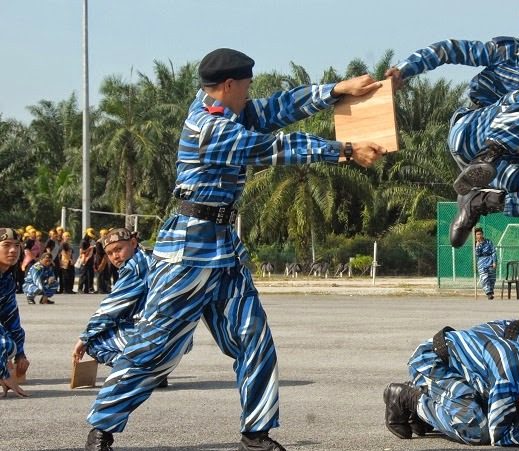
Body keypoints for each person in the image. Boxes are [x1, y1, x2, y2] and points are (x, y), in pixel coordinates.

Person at [82, 48, 388, 451]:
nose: (250, 92)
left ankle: (256, 433)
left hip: (224, 251)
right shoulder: (208, 127)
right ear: (229, 85)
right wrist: (344, 150)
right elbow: (270, 148)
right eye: (246, 85)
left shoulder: (227, 110)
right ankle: (102, 427)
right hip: (187, 253)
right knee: (156, 348)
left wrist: (336, 90)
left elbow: (279, 107)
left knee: (254, 339)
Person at [385, 4, 519, 248]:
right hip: (471, 131)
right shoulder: (504, 51)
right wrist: (405, 69)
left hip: (506, 157)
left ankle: (479, 202)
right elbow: (449, 50)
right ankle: (484, 159)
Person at [385, 327, 519, 448]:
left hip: (462, 373)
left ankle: (428, 411)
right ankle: (408, 397)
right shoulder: (512, 376)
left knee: (505, 412)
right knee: (478, 429)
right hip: (432, 361)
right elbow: (498, 434)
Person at [72, 229, 155, 367]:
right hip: (175, 334)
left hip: (155, 334)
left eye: (118, 249)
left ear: (133, 243)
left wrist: (84, 339)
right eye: (110, 253)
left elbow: (110, 309)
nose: (115, 256)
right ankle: (151, 367)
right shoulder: (148, 258)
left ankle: (140, 372)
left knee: (94, 343)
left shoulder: (133, 268)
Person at [0, 228, 29, 397]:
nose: (13, 250)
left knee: (11, 345)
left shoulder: (7, 279)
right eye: (6, 245)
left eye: (17, 246)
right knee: (5, 344)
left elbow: (12, 319)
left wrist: (20, 355)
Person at [474, 228, 497, 299]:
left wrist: (494, 261)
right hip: (482, 262)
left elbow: (493, 251)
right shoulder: (476, 243)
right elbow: (477, 254)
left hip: (490, 260)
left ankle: (491, 291)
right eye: (477, 234)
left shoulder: (488, 242)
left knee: (491, 278)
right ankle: (488, 293)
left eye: (480, 234)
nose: (479, 235)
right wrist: (477, 246)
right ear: (475, 236)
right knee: (484, 277)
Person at [78, 228, 96, 294]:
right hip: (84, 260)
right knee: (83, 275)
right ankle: (80, 289)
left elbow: (94, 252)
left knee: (90, 275)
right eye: (90, 236)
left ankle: (87, 289)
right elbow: (81, 251)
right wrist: (89, 248)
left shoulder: (91, 242)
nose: (91, 237)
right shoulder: (83, 241)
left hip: (90, 261)